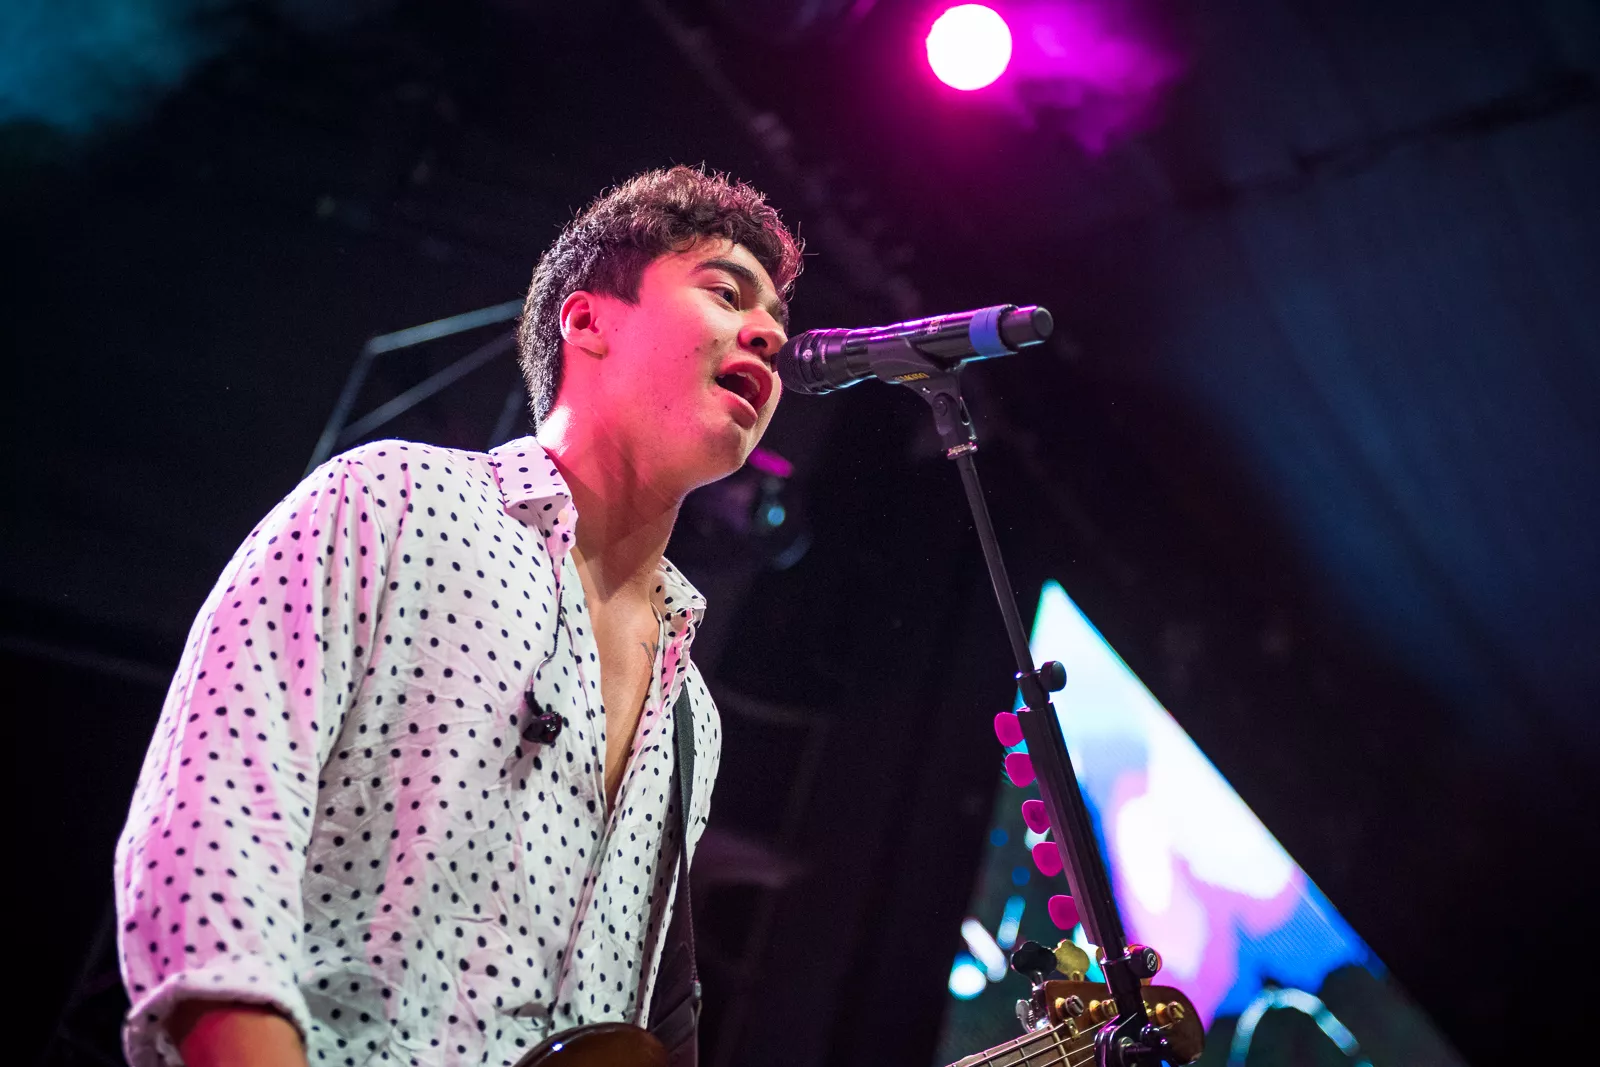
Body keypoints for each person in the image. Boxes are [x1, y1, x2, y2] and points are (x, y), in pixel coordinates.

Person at [113, 165, 802, 1067]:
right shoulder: (390, 501)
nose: (769, 334)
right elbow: (209, 838)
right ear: (588, 321)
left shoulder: (691, 717)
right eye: (726, 292)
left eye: (777, 321)